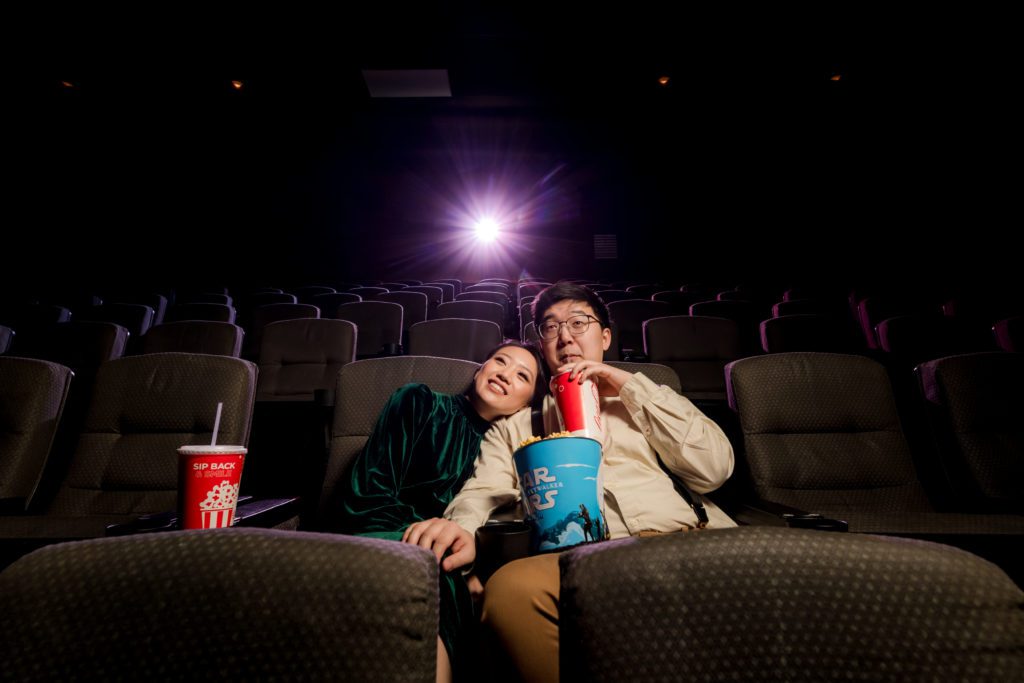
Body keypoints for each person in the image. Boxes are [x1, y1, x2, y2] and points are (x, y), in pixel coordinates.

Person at [404, 282, 736, 683]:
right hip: (576, 559)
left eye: (579, 322)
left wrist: (626, 385)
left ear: (606, 337)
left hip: (682, 536)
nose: (565, 337)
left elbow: (715, 468)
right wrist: (460, 529)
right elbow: (481, 493)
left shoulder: (649, 399)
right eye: (550, 327)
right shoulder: (517, 426)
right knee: (510, 591)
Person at [342, 341, 547, 683]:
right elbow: (364, 499)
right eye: (499, 360)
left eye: (522, 375)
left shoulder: (511, 452)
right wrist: (429, 540)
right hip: (381, 539)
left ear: (528, 402)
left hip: (453, 564)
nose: (505, 374)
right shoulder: (418, 402)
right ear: (480, 368)